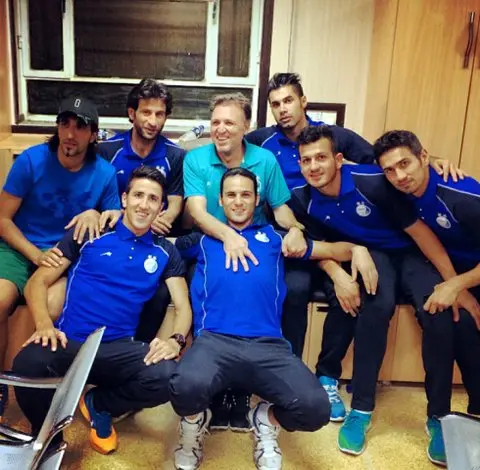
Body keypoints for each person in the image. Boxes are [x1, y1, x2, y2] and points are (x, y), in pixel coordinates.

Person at [245, 72, 463, 364]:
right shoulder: (262, 141)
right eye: (275, 104)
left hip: (339, 232)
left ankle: (328, 373)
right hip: (295, 232)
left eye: (288, 100)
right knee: (293, 290)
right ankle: (289, 367)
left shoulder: (335, 136)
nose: (283, 109)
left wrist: (431, 161)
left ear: (303, 101)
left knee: (351, 292)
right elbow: (231, 145)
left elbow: (384, 159)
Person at [289, 125, 478, 460]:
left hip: (412, 253)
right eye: (307, 160)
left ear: (339, 159)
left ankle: (438, 416)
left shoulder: (374, 181)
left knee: (438, 314)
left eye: (321, 158)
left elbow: (421, 234)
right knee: (376, 306)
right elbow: (319, 247)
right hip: (371, 255)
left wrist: (454, 284)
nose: (314, 166)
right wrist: (339, 269)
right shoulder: (304, 199)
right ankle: (361, 409)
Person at [169, 167, 378, 470]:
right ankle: (194, 422)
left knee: (316, 409)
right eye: (231, 195)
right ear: (221, 200)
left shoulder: (276, 239)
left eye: (245, 195)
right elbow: (161, 244)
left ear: (257, 200)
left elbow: (333, 250)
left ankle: (264, 419)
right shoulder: (201, 241)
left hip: (268, 346)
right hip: (214, 342)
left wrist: (358, 249)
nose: (238, 201)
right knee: (182, 388)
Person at [12, 166, 191, 456]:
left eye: (153, 199)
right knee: (26, 363)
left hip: (117, 348)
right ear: (124, 199)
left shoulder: (165, 252)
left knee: (169, 375)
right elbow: (37, 283)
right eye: (138, 195)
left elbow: (182, 307)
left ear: (161, 208)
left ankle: (100, 404)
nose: (144, 205)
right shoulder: (90, 232)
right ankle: (47, 435)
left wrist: (176, 341)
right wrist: (44, 325)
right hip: (69, 341)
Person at [183, 92, 308, 431]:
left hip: (254, 242)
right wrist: (228, 236)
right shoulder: (195, 159)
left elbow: (280, 208)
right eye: (216, 122)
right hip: (211, 240)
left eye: (229, 122)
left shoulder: (265, 160)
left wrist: (296, 229)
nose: (221, 129)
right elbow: (197, 213)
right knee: (201, 284)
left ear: (246, 126)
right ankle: (209, 379)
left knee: (296, 288)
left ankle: (275, 376)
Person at [0, 96, 120, 422]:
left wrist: (96, 213)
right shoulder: (31, 160)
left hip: (64, 257)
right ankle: (1, 385)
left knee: (52, 306)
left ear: (93, 135)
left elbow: (115, 217)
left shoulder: (105, 173)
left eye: (80, 127)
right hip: (19, 247)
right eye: (64, 124)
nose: (70, 134)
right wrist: (35, 254)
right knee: (0, 299)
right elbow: (3, 219)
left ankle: (34, 381)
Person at [374, 129, 480, 465]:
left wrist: (460, 285)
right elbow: (426, 240)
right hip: (441, 264)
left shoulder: (464, 197)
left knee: (469, 324)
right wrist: (454, 286)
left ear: (424, 157)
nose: (399, 176)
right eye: (390, 170)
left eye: (405, 164)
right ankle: (439, 416)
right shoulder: (396, 193)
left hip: (473, 268)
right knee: (441, 314)